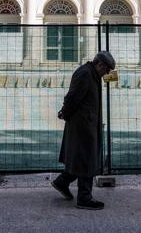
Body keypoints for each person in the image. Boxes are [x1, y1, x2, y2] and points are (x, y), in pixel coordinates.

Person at [52, 50, 116, 210]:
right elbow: (72, 97)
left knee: (81, 158)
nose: (106, 74)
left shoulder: (92, 74)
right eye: (106, 70)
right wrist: (64, 113)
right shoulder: (85, 74)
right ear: (100, 64)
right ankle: (84, 197)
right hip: (82, 125)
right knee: (87, 160)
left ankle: (62, 182)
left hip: (87, 123)